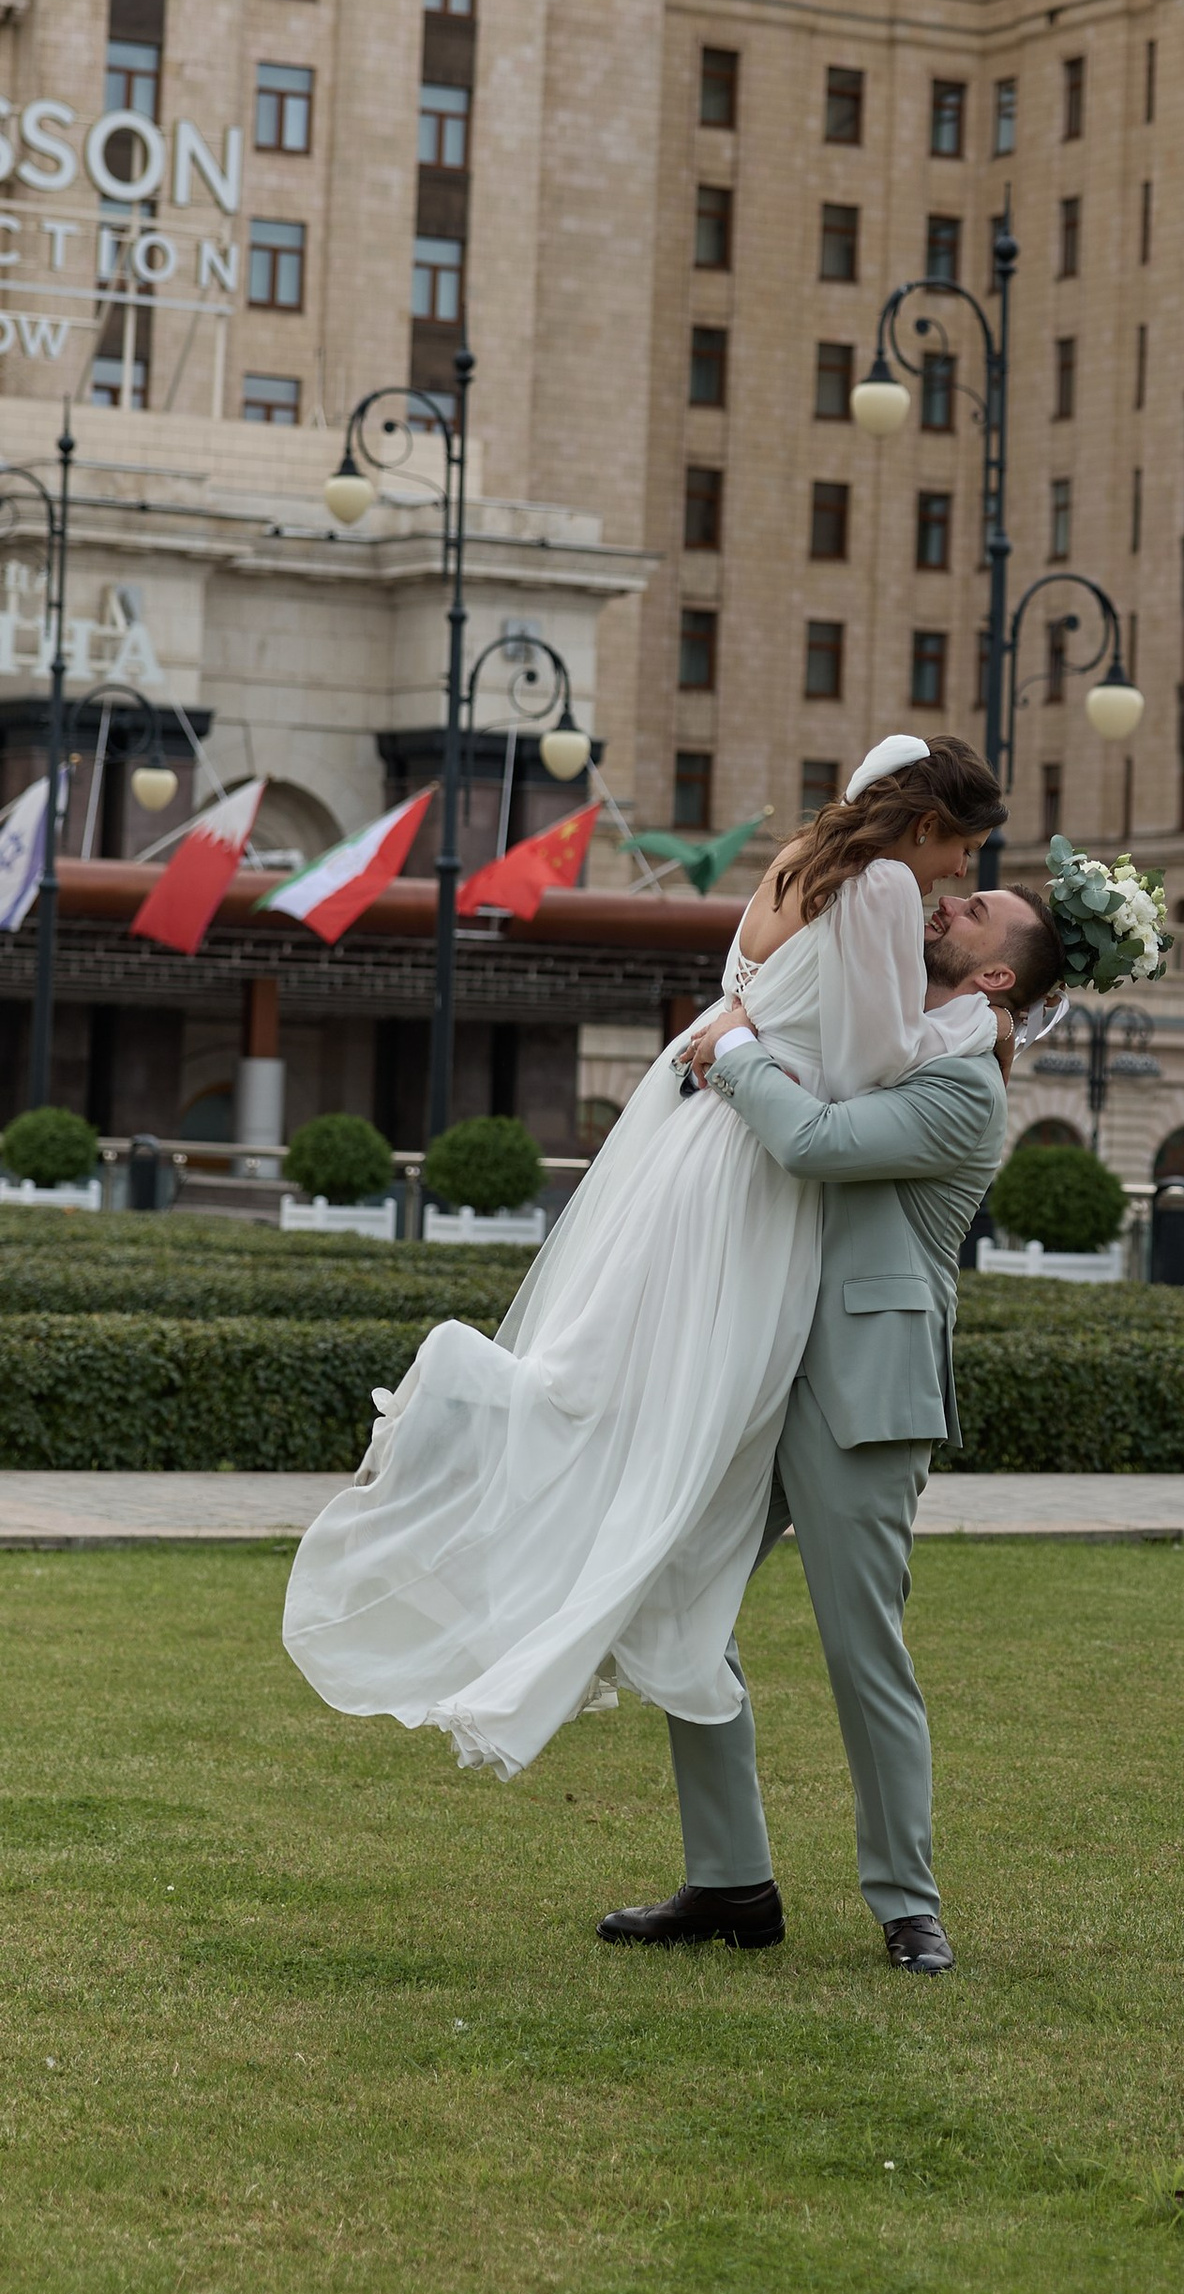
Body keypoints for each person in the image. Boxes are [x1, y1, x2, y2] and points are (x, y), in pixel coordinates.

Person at [281, 734, 1016, 1783]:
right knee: (694, 1424)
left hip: (690, 1137)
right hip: (755, 1165)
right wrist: (976, 1032)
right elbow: (868, 1065)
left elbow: (765, 1001)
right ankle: (534, 1489)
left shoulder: (799, 856)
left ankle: (504, 1431)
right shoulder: (889, 884)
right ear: (929, 826)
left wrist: (769, 1043)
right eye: (966, 852)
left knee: (640, 1389)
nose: (960, 878)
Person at [596, 871, 1061, 1975]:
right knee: (679, 1605)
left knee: (866, 1657)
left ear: (997, 975)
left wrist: (737, 1049)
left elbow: (810, 1140)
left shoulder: (962, 1088)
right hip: (746, 1365)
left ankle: (909, 1907)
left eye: (978, 911)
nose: (948, 905)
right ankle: (730, 1884)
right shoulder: (884, 1026)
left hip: (863, 1394)